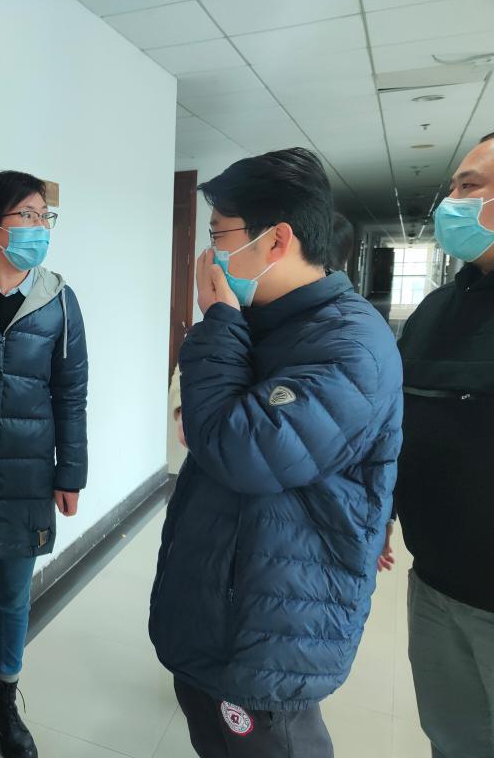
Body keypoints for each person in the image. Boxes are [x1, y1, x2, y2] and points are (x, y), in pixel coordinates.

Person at [148, 148, 403, 758]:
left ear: (277, 240)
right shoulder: (265, 319)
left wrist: (217, 319)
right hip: (226, 602)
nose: (209, 254)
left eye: (219, 236)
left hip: (274, 630)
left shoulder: (350, 345)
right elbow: (202, 424)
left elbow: (239, 448)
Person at [0, 170, 88, 758]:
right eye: (26, 216)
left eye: (43, 217)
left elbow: (72, 394)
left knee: (13, 599)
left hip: (31, 474)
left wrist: (71, 473)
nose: (39, 227)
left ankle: (7, 706)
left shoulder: (59, 299)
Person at [392, 131, 494, 758]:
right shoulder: (436, 310)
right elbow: (399, 423)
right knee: (451, 739)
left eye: (469, 186)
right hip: (434, 582)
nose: (450, 201)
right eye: (453, 186)